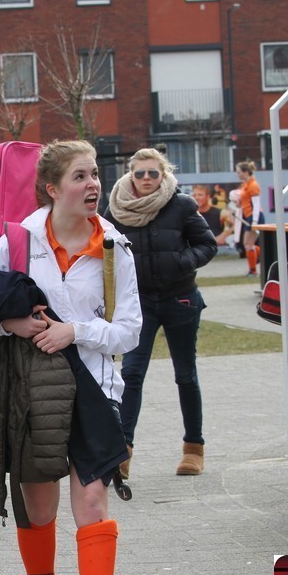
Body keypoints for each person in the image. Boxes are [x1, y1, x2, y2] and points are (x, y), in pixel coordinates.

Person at [0, 140, 142, 575]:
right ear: (52, 188)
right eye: (80, 176)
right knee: (39, 502)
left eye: (95, 174)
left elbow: (129, 332)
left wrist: (76, 331)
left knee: (91, 499)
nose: (93, 184)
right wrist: (14, 325)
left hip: (96, 390)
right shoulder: (16, 242)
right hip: (31, 390)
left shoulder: (115, 247)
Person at [104, 149, 216, 478]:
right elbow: (101, 249)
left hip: (180, 298)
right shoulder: (115, 208)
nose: (147, 179)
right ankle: (122, 451)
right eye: (140, 173)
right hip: (139, 303)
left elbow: (207, 244)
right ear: (130, 175)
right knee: (131, 374)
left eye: (153, 173)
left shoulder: (181, 205)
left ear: (163, 174)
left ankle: (193, 447)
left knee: (185, 374)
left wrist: (182, 262)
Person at [236, 160, 263, 275]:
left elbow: (256, 205)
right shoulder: (245, 185)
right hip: (249, 216)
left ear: (246, 172)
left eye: (239, 172)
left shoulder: (253, 185)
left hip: (254, 216)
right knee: (247, 244)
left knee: (248, 244)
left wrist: (255, 221)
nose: (238, 175)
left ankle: (253, 270)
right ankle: (255, 265)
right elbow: (244, 202)